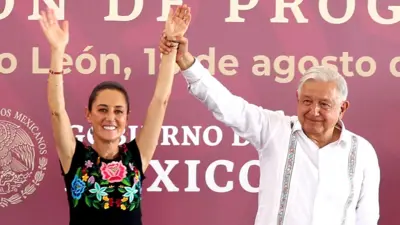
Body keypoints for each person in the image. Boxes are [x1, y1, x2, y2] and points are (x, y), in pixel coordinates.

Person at [158, 21, 381, 225]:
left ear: (343, 108)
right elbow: (228, 105)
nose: (314, 111)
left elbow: (368, 215)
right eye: (307, 101)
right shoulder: (275, 129)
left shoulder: (362, 151)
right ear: (297, 99)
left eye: (324, 104)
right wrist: (187, 63)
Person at [39, 5, 191, 225]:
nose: (110, 117)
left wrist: (171, 42)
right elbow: (57, 111)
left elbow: (161, 100)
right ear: (88, 114)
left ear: (126, 118)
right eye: (102, 109)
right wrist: (57, 51)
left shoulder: (137, 156)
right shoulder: (75, 157)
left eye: (118, 111)